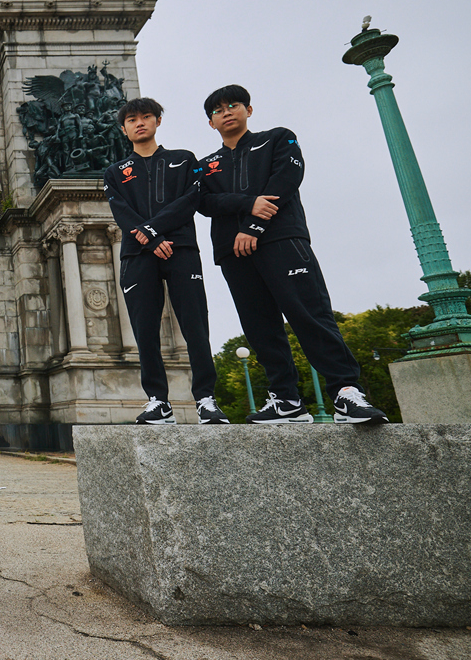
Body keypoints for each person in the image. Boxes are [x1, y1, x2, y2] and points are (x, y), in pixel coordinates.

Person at [198, 84, 387, 425]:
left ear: (248, 110)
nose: (226, 113)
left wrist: (253, 226)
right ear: (211, 123)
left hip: (281, 240)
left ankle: (345, 391)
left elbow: (287, 178)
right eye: (217, 110)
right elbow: (204, 202)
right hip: (233, 252)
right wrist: (248, 204)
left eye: (233, 105)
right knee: (260, 327)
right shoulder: (206, 165)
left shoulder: (278, 138)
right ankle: (286, 400)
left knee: (309, 314)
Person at [103, 97, 226, 425]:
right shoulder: (114, 172)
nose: (139, 123)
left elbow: (190, 200)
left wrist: (153, 230)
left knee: (195, 325)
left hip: (180, 249)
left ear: (158, 121)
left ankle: (205, 398)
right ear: (124, 129)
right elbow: (121, 212)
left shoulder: (184, 160)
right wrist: (152, 238)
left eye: (146, 117)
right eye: (132, 120)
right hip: (137, 254)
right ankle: (158, 400)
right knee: (145, 330)